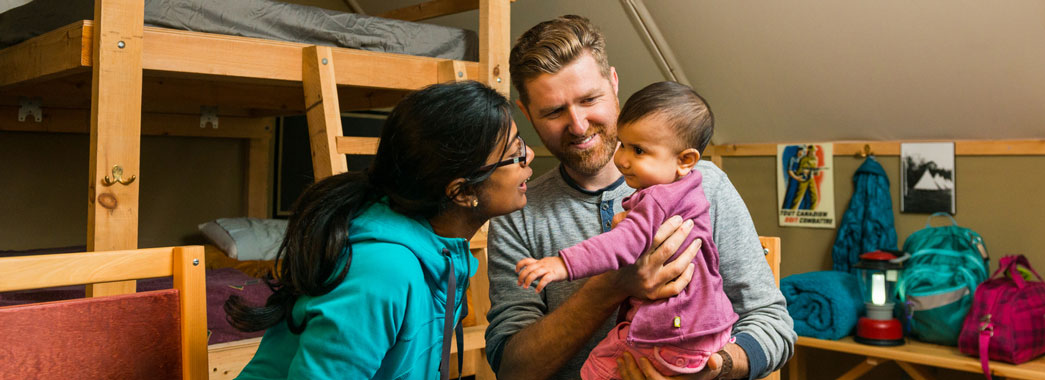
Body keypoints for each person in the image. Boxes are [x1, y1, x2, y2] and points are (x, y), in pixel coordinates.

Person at [486, 15, 795, 380]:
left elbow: (774, 325)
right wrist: (613, 285)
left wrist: (715, 368)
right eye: (554, 111)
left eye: (590, 99)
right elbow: (513, 369)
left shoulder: (705, 185)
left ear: (614, 84)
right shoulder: (517, 213)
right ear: (526, 114)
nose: (579, 125)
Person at [224, 80, 534, 380]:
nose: (529, 156)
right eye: (514, 152)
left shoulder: (442, 255)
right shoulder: (384, 271)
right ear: (462, 192)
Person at [514, 81, 739, 379]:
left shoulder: (658, 198)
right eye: (622, 144)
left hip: (671, 336)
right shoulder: (690, 189)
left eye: (638, 150)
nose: (622, 159)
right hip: (709, 333)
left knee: (597, 368)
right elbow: (512, 368)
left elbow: (621, 243)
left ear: (685, 160)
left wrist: (562, 264)